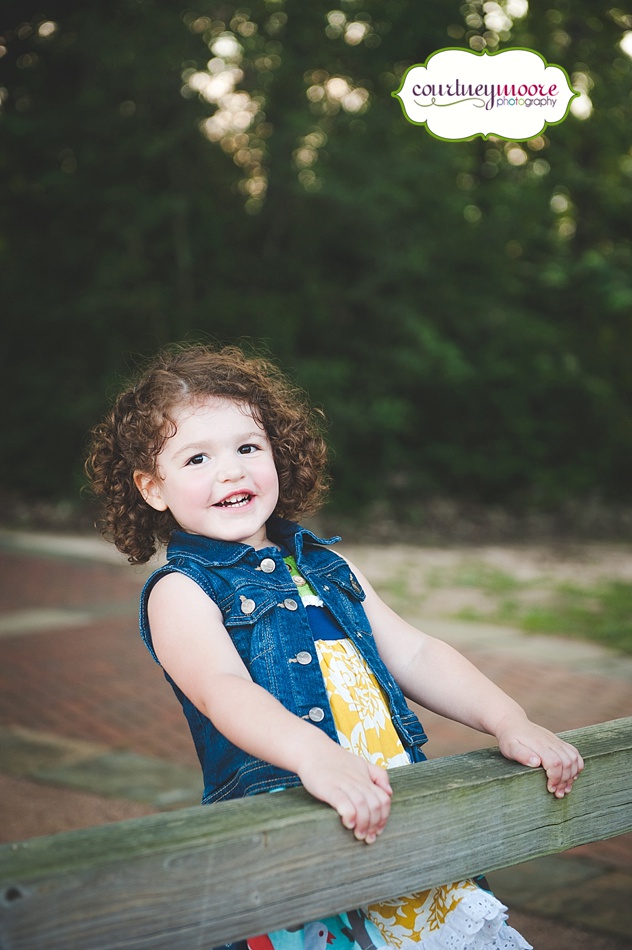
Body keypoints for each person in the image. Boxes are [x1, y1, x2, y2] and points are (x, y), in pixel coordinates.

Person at [86, 342, 584, 950]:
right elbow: (223, 690)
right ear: (153, 488)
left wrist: (508, 719)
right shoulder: (182, 591)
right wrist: (313, 755)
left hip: (394, 814)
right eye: (197, 458)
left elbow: (416, 654)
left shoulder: (325, 565)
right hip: (294, 833)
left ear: (278, 454)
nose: (232, 471)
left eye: (248, 448)